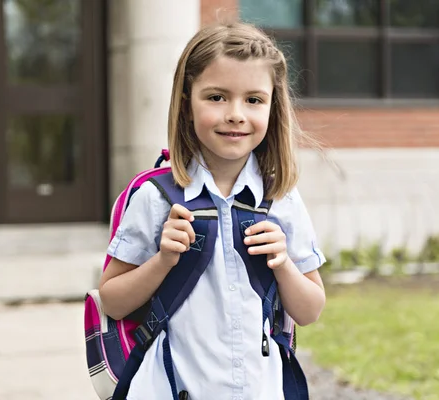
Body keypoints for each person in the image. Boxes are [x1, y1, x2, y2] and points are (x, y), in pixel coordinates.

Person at [98, 21, 326, 400]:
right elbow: (113, 300)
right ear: (187, 104)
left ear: (273, 107)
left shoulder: (281, 199)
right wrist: (163, 260)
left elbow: (310, 310)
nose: (235, 114)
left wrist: (283, 263)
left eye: (253, 100)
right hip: (172, 389)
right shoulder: (156, 197)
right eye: (217, 97)